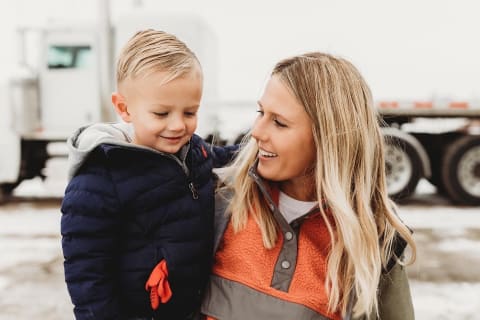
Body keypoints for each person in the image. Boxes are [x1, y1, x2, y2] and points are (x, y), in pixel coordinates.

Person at [200, 52, 416, 320]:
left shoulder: (375, 243)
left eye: (279, 122)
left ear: (328, 138)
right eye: (261, 112)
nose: (256, 131)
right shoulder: (220, 200)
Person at [60, 29, 236, 320]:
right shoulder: (99, 180)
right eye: (162, 114)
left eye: (190, 112)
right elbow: (87, 275)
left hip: (193, 308)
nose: (178, 125)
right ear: (124, 108)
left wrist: (263, 145)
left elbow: (228, 158)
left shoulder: (195, 152)